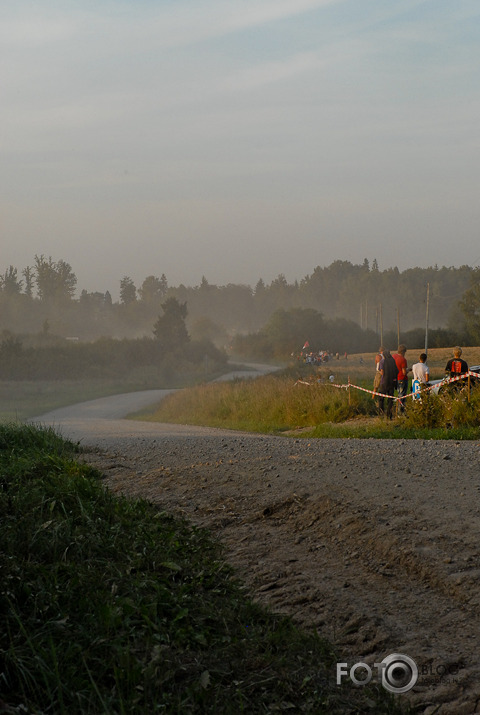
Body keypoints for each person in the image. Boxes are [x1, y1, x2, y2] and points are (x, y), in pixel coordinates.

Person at [378, 349, 397, 418]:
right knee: (390, 399)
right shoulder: (392, 361)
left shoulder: (382, 361)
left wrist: (379, 372)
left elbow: (382, 372)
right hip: (392, 382)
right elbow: (396, 370)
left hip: (384, 382)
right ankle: (389, 415)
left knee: (381, 398)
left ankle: (381, 413)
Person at [392, 344, 410, 413]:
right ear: (403, 352)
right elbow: (404, 372)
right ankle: (400, 412)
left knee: (398, 394)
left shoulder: (394, 356)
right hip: (402, 379)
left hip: (395, 378)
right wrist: (408, 370)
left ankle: (397, 410)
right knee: (402, 396)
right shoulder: (403, 359)